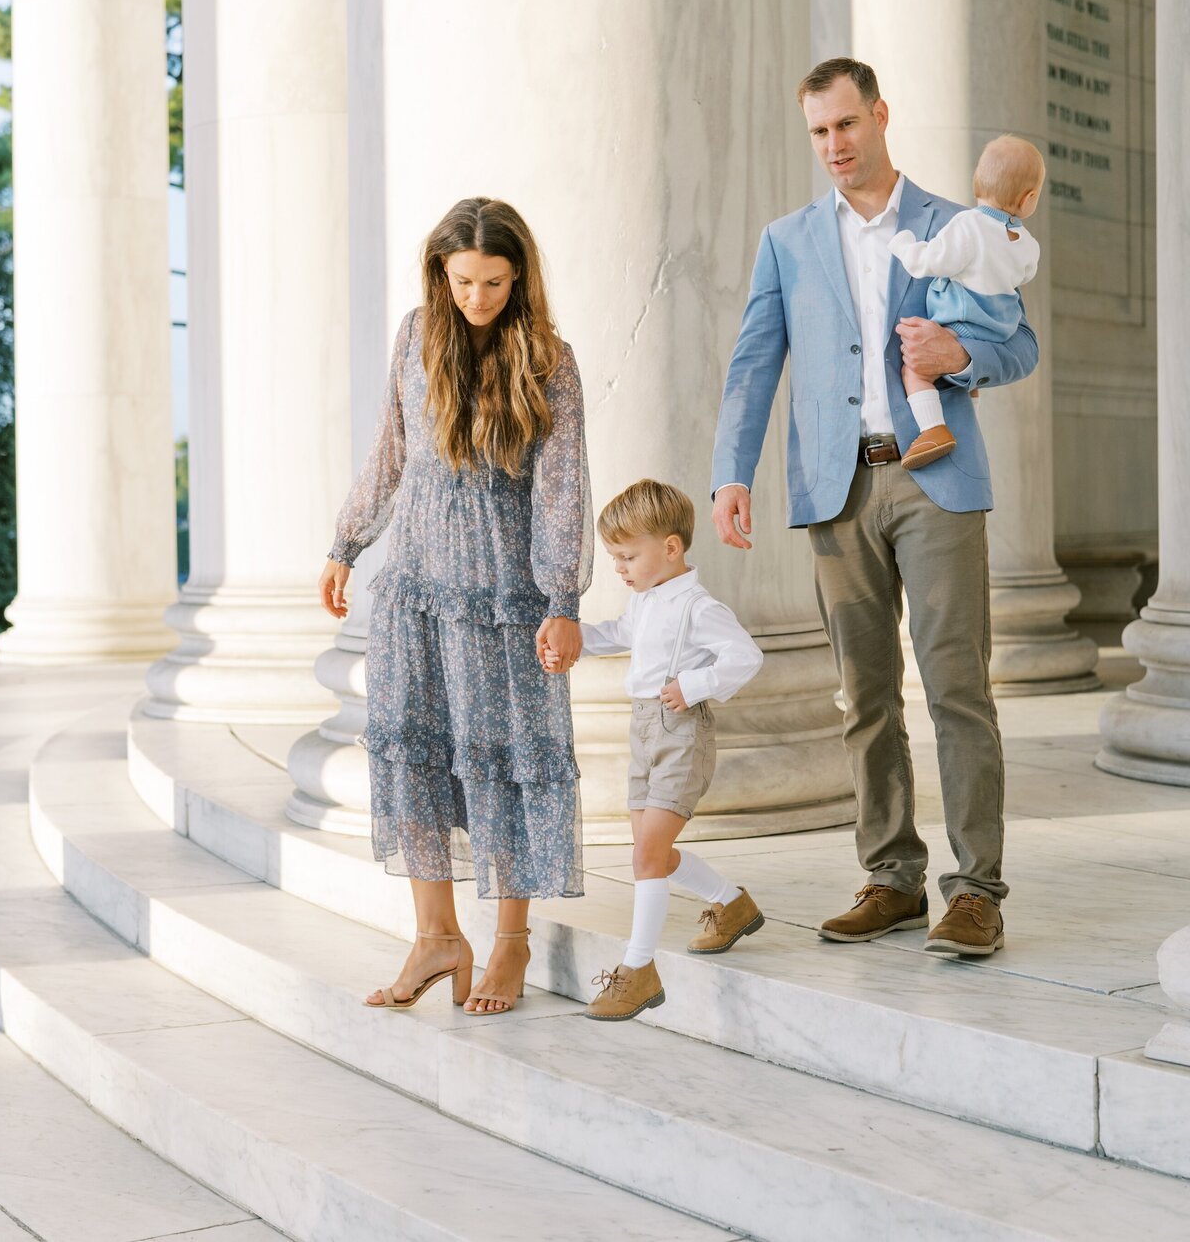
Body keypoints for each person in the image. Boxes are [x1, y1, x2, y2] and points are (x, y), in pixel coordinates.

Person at [711, 58, 1039, 958]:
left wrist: (957, 356)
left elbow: (1020, 345)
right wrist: (730, 473)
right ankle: (891, 878)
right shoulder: (787, 239)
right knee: (863, 695)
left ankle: (975, 892)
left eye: (846, 125)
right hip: (835, 486)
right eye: (819, 132)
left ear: (880, 115)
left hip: (934, 479)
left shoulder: (959, 224)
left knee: (958, 690)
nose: (834, 146)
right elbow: (753, 362)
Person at [318, 197, 592, 1015]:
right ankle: (436, 935)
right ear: (442, 272)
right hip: (416, 591)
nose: (478, 296)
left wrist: (561, 598)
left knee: (506, 762)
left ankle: (511, 940)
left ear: (520, 277)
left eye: (496, 282)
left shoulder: (550, 357)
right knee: (416, 760)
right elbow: (390, 452)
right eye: (465, 279)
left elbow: (562, 489)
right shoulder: (416, 335)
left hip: (505, 597)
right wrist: (345, 542)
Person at [545, 479, 764, 1020]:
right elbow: (622, 633)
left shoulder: (698, 605)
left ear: (671, 547)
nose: (619, 568)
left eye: (627, 556)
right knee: (655, 855)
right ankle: (732, 904)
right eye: (615, 557)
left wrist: (694, 686)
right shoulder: (643, 601)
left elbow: (745, 657)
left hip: (680, 733)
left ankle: (638, 968)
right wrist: (575, 637)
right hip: (642, 731)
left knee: (645, 856)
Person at [889, 135, 1045, 469]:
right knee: (970, 387)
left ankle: (933, 428)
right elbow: (1024, 274)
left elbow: (931, 261)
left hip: (961, 322)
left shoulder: (968, 224)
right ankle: (967, 427)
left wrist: (904, 246)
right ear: (1028, 199)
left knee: (914, 369)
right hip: (997, 327)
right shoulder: (1026, 244)